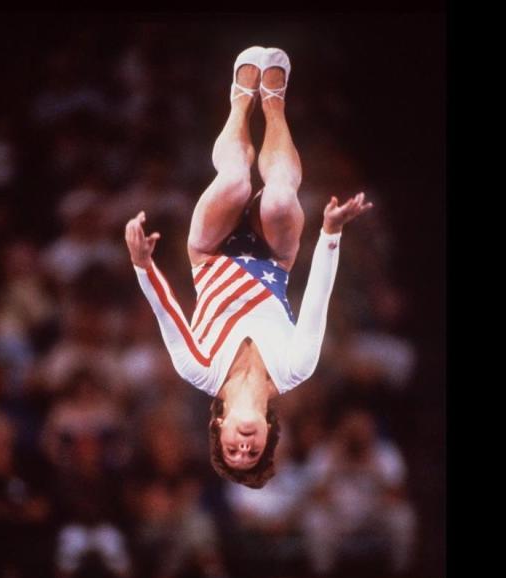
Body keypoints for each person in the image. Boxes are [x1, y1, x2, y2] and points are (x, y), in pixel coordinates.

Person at [125, 46, 372, 488]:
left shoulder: (199, 369)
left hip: (210, 250)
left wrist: (144, 266)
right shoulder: (296, 367)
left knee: (236, 180)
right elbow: (317, 296)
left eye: (233, 451)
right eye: (252, 451)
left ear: (217, 429)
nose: (244, 445)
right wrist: (331, 232)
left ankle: (241, 100)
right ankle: (274, 106)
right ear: (270, 433)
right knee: (279, 197)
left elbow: (168, 312)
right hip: (275, 257)